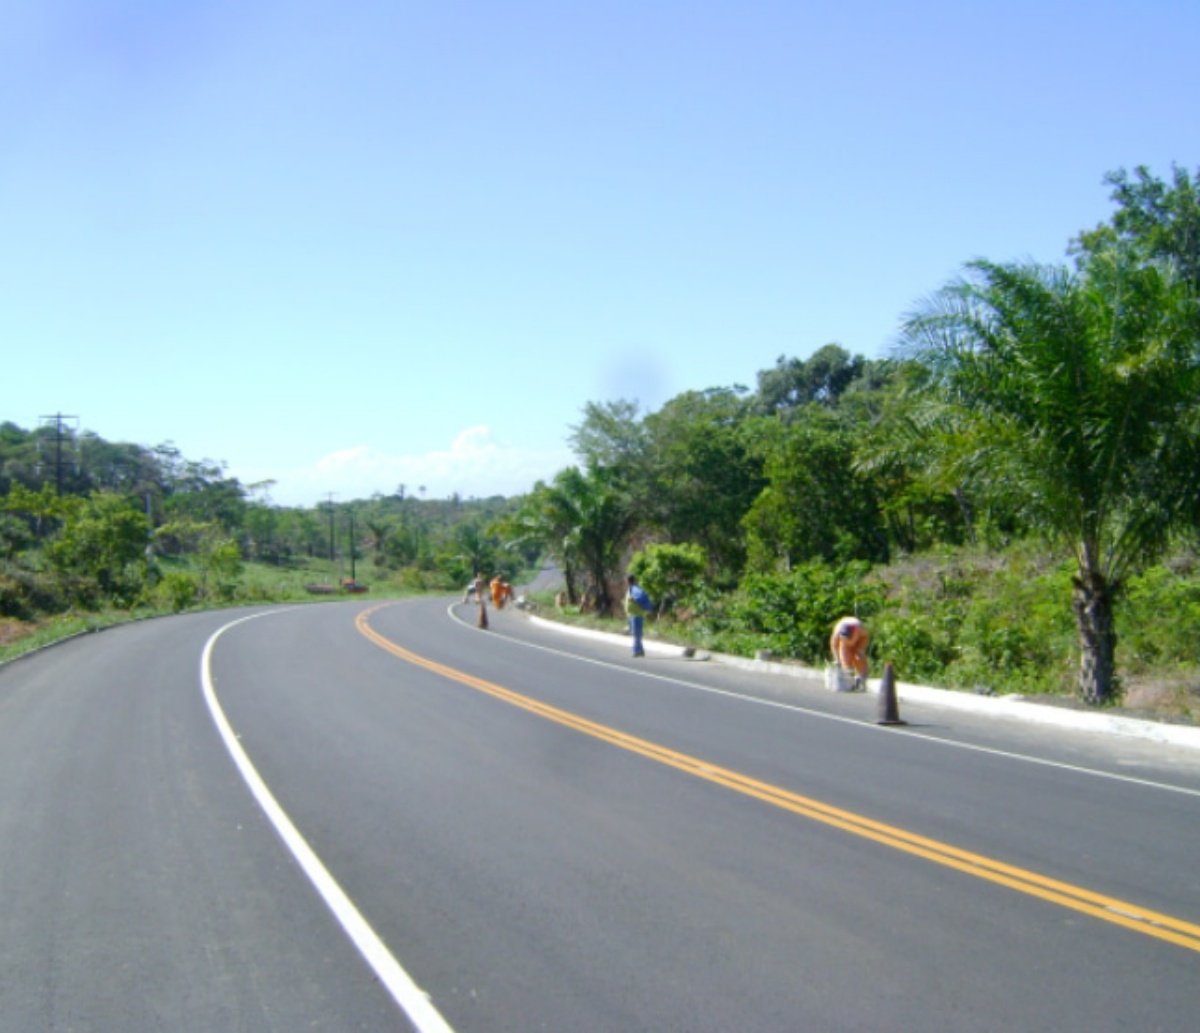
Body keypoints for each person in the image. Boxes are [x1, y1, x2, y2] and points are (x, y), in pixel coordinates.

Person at [830, 615, 869, 686]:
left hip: (861, 638)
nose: (845, 638)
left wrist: (858, 649)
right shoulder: (837, 631)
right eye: (843, 636)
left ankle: (863, 676)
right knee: (845, 660)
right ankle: (848, 679)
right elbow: (834, 645)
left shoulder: (859, 630)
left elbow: (865, 637)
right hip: (849, 636)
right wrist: (837, 660)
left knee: (858, 655)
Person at [625, 574, 653, 657]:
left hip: (636, 615)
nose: (626, 582)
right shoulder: (630, 589)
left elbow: (641, 598)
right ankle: (640, 650)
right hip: (631, 615)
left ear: (630, 581)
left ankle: (636, 651)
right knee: (636, 633)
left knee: (636, 634)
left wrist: (634, 600)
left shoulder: (636, 590)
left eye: (627, 580)